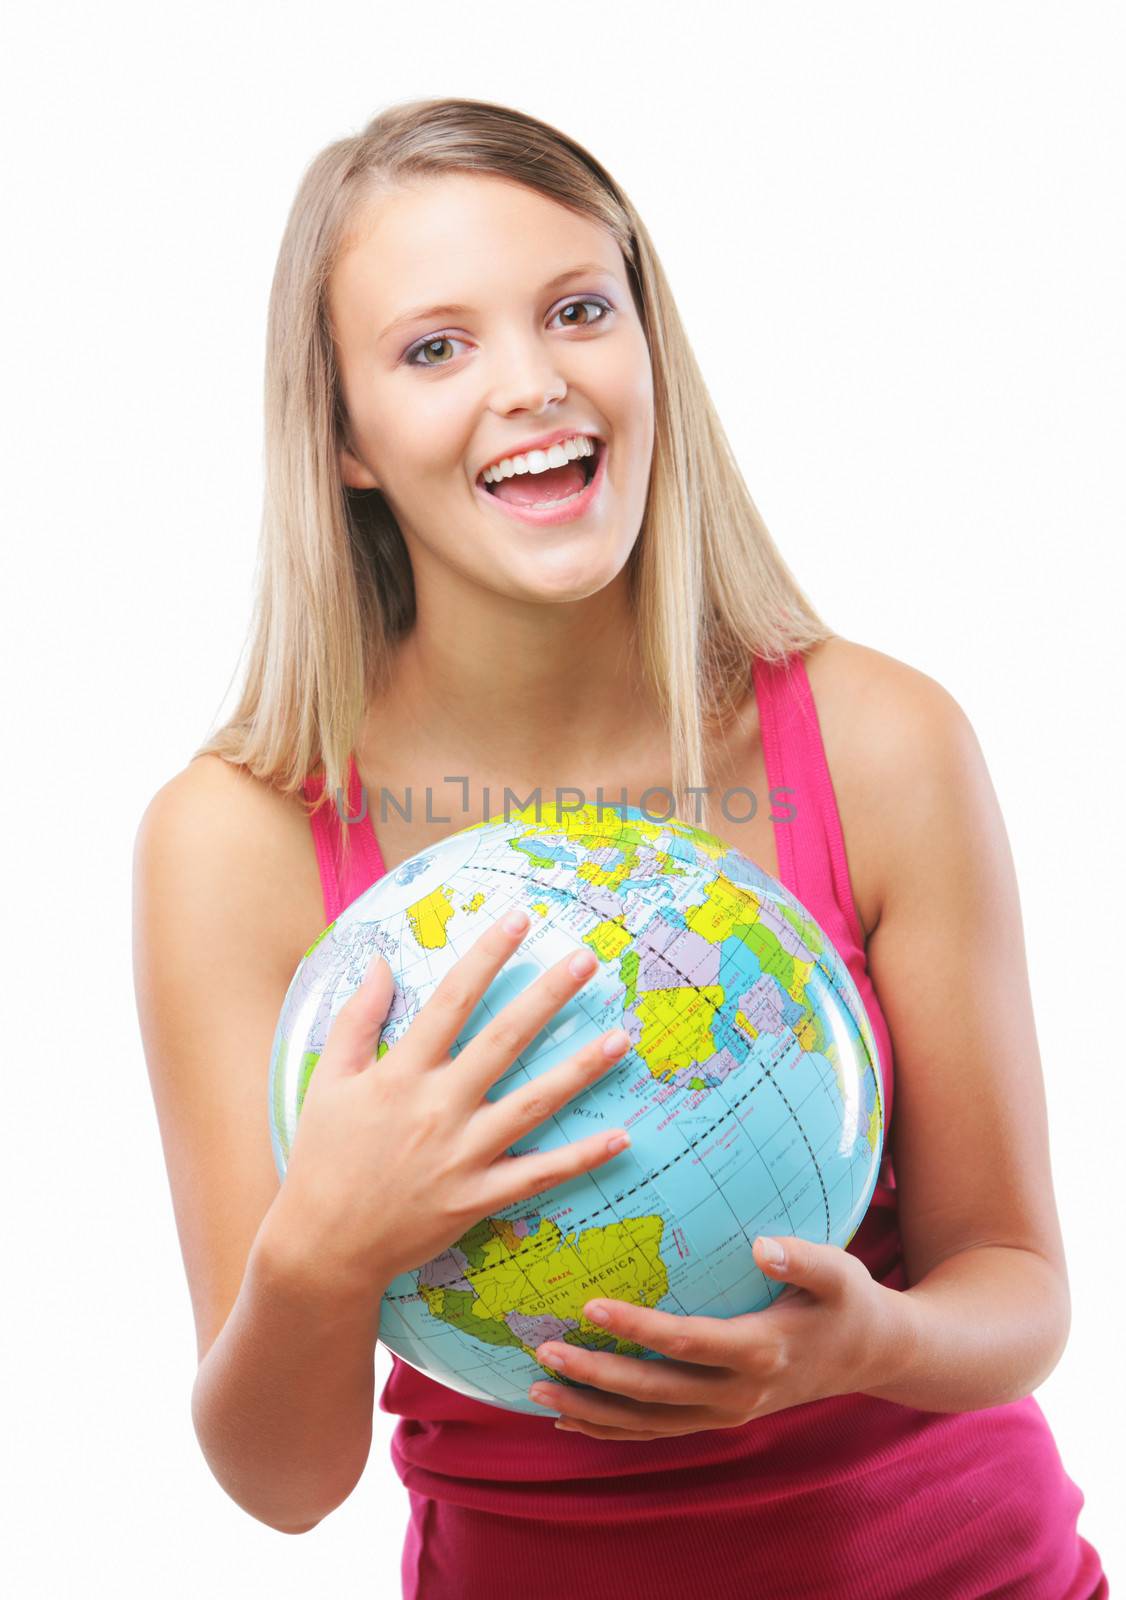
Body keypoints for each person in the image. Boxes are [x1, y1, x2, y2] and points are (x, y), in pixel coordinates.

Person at [132, 96, 1107, 1598]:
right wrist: (321, 1251)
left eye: (577, 310)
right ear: (343, 438)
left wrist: (866, 1345)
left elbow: (1017, 1289)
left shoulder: (877, 741)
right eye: (434, 346)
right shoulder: (239, 838)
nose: (532, 383)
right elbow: (281, 1481)